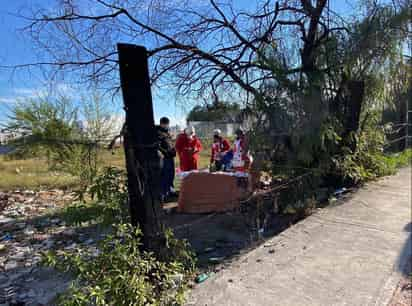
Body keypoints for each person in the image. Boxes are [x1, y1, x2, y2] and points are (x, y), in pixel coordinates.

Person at [156, 117, 176, 200]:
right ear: (162, 124)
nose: (167, 126)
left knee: (171, 174)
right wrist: (165, 153)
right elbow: (158, 145)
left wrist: (173, 150)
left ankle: (170, 190)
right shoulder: (158, 133)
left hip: (171, 157)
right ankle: (163, 194)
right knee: (165, 175)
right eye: (166, 124)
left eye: (168, 124)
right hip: (165, 158)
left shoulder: (167, 132)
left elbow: (169, 143)